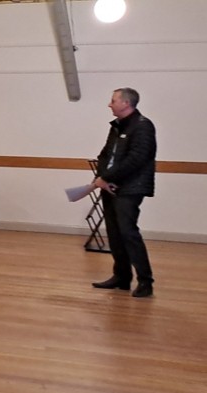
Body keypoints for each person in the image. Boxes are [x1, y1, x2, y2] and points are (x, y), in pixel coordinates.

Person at [91, 87, 156, 298]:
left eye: (113, 101)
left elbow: (136, 159)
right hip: (109, 185)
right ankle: (121, 276)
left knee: (128, 233)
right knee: (114, 233)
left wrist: (108, 178)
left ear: (126, 103)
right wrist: (101, 178)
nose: (109, 104)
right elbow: (105, 155)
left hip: (131, 187)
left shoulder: (143, 126)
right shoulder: (117, 126)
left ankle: (145, 281)